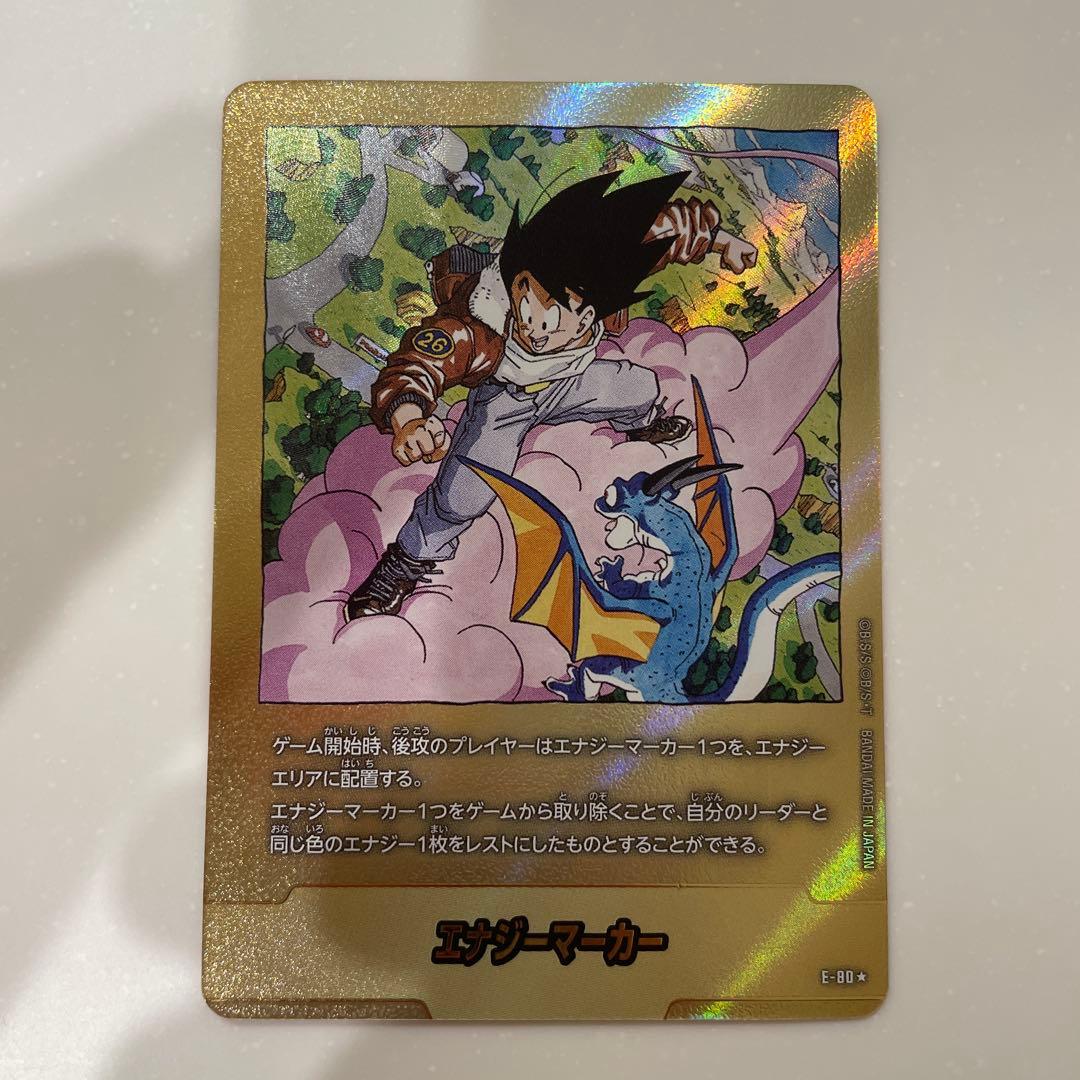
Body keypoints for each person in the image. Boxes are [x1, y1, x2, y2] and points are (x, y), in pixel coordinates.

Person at [344, 168, 756, 620]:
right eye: (531, 303)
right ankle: (405, 561)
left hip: (569, 382)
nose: (538, 328)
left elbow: (664, 231)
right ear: (518, 281)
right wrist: (409, 420)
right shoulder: (480, 320)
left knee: (639, 387)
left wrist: (721, 242)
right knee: (465, 493)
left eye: (564, 316)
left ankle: (642, 427)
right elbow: (420, 362)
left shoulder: (607, 266)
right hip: (506, 400)